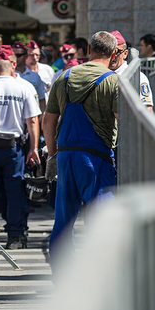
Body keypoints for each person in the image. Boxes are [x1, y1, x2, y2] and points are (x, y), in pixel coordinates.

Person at [43, 31, 121, 270]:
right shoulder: (113, 81)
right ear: (114, 53)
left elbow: (48, 121)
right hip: (96, 158)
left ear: (89, 49)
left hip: (66, 155)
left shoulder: (64, 76)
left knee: (64, 220)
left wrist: (53, 153)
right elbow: (123, 120)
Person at [0, 47, 41, 249]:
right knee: (15, 192)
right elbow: (33, 121)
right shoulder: (24, 87)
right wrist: (33, 148)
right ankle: (16, 236)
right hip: (14, 149)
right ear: (12, 66)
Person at [108, 30, 154, 112]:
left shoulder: (138, 77)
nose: (113, 56)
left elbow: (148, 110)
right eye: (109, 51)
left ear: (125, 54)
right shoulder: (102, 74)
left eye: (117, 52)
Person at [12, 41, 47, 118]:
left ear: (25, 56)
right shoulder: (9, 75)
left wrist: (41, 117)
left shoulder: (34, 76)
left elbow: (41, 99)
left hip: (32, 116)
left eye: (19, 55)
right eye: (14, 55)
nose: (16, 58)